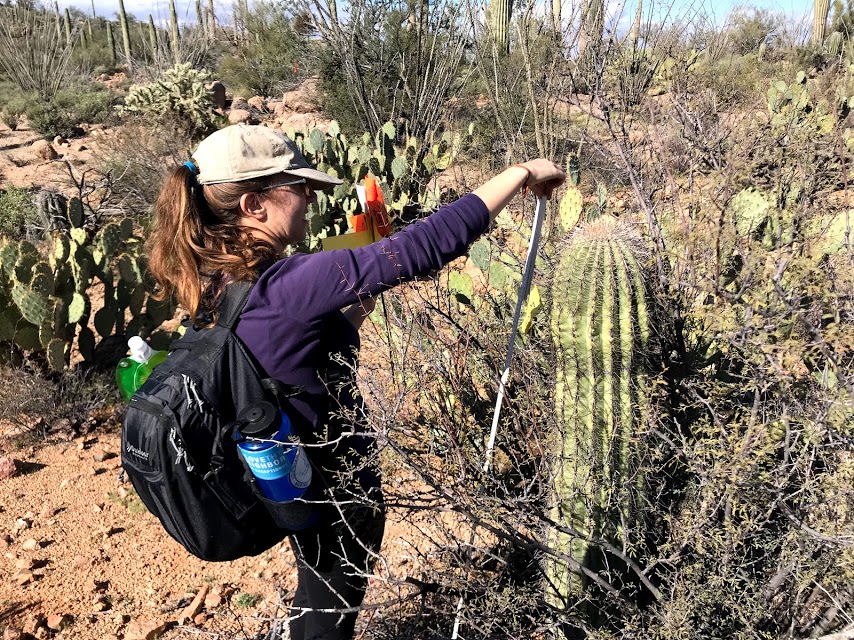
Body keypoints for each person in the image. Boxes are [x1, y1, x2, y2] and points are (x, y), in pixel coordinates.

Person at [146, 123, 566, 640]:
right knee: (327, 614)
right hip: (330, 490)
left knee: (322, 597)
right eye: (296, 187)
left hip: (288, 477)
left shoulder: (217, 279)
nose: (308, 198)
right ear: (254, 205)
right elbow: (427, 246)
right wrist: (521, 173)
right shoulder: (290, 283)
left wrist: (363, 290)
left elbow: (294, 345)